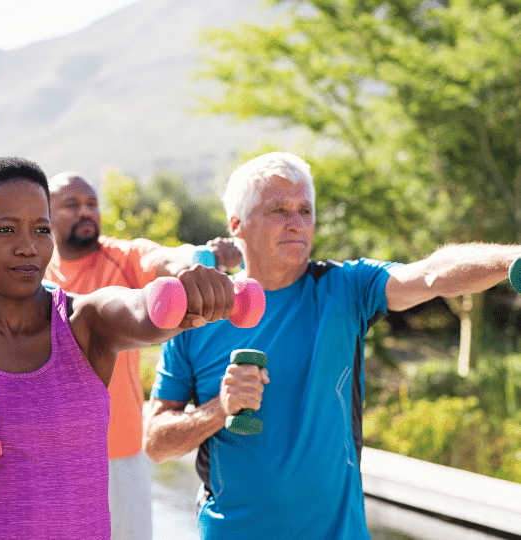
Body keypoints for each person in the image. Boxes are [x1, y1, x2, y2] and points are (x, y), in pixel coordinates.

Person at [142, 151, 521, 539]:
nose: (296, 224)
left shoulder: (345, 288)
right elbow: (155, 443)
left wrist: (512, 259)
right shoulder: (199, 316)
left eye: (305, 211)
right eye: (279, 211)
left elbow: (431, 275)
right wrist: (218, 409)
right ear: (237, 225)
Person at [0, 157, 241, 540]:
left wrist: (187, 299)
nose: (28, 247)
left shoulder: (85, 322)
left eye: (41, 229)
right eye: (6, 229)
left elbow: (141, 312)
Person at [44, 170, 241, 540]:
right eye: (72, 204)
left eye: (92, 203)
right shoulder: (36, 271)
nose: (86, 211)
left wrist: (205, 257)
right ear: (46, 215)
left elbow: (171, 259)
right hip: (48, 456)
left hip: (119, 453)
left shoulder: (124, 256)